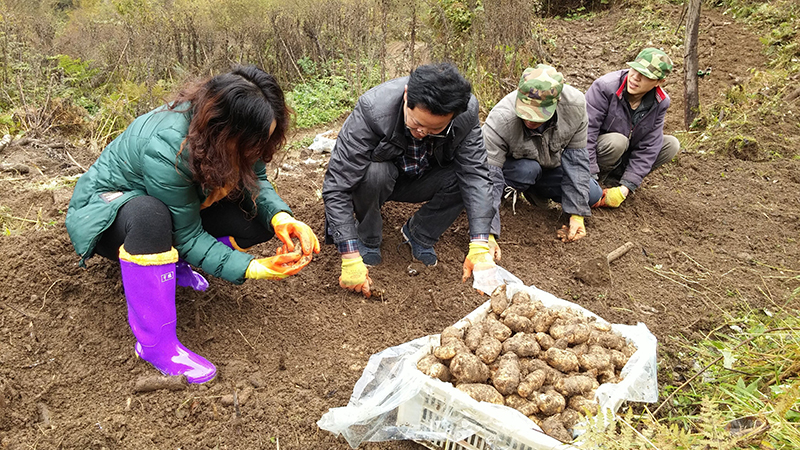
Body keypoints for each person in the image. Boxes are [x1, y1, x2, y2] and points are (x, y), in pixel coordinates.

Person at [65, 65, 320, 384]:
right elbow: (185, 233)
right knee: (150, 214)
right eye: (254, 142)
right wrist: (250, 267)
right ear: (224, 129)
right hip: (107, 212)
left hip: (174, 207)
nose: (258, 149)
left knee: (256, 216)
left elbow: (258, 181)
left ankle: (175, 266)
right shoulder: (169, 147)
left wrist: (282, 217)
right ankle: (157, 345)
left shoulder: (238, 128)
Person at [322, 62, 498, 298]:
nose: (422, 132)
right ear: (406, 96)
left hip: (424, 176)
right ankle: (368, 236)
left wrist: (479, 243)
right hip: (382, 178)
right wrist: (349, 253)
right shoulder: (373, 109)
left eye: (435, 129)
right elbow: (337, 185)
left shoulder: (465, 113)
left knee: (464, 176)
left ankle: (419, 233)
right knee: (373, 173)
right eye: (416, 124)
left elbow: (476, 175)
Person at [483, 64, 603, 243]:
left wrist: (576, 214)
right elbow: (488, 176)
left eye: (538, 114)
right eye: (526, 112)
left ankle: (537, 192)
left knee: (592, 194)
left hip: (549, 166)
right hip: (515, 170)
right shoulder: (501, 118)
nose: (530, 119)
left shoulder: (575, 107)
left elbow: (576, 160)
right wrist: (488, 234)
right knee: (526, 170)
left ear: (557, 101)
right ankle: (510, 193)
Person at [586, 47, 680, 208]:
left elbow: (649, 146)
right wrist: (590, 179)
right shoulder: (605, 87)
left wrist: (626, 188)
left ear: (659, 82)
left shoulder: (661, 102)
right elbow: (586, 134)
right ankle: (598, 180)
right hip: (598, 154)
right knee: (617, 141)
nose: (635, 78)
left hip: (624, 156)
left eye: (645, 76)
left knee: (671, 145)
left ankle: (616, 182)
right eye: (634, 70)